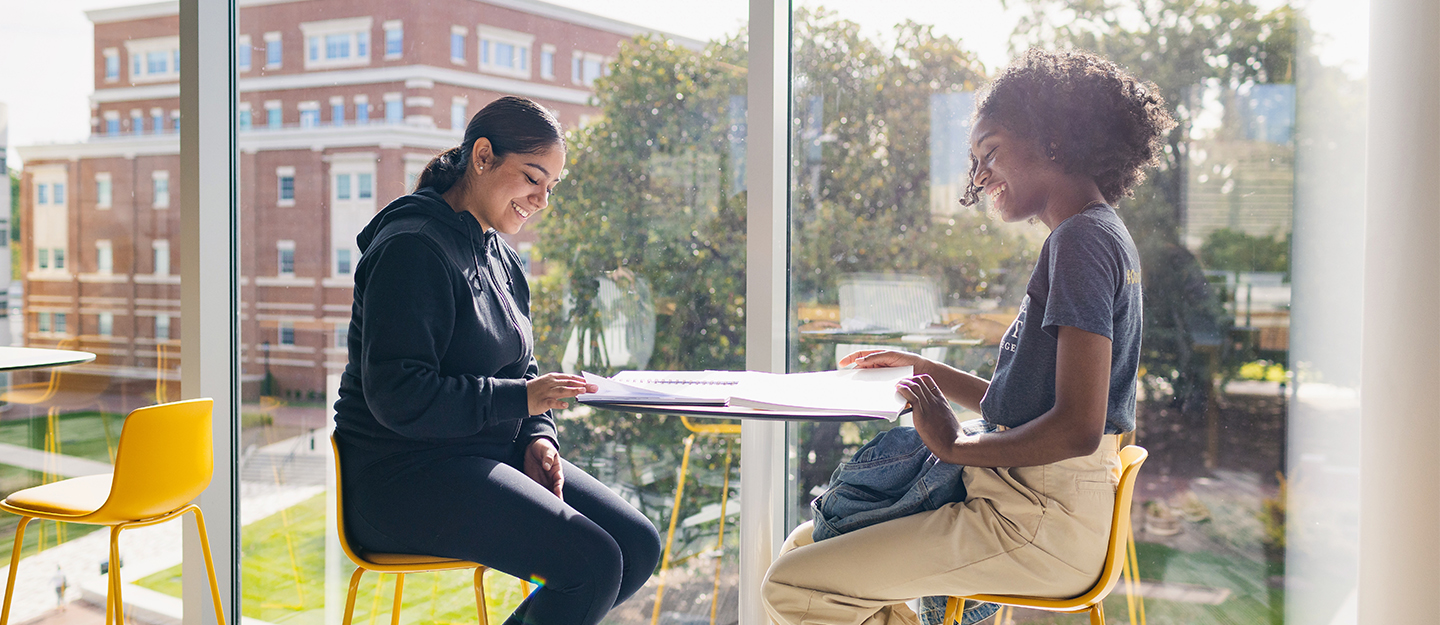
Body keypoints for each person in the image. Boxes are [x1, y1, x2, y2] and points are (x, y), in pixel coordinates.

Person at [761, 48, 1175, 625]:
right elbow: (1029, 408)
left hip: (1037, 521)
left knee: (792, 586)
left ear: (1053, 140)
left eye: (991, 153)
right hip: (1033, 503)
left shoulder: (1081, 243)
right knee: (807, 550)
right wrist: (921, 370)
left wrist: (953, 447)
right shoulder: (1098, 236)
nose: (979, 177)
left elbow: (1078, 429)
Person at [333, 95, 662, 625]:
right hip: (401, 476)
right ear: (482, 157)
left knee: (637, 545)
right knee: (593, 563)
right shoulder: (411, 248)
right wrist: (522, 400)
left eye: (551, 187)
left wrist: (538, 435)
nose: (541, 200)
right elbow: (399, 393)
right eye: (533, 178)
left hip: (483, 452)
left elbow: (522, 371)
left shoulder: (498, 254)